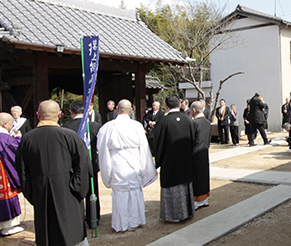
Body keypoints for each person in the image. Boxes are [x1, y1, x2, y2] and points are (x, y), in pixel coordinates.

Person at [16, 100, 92, 246]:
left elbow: (22, 170)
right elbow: (83, 164)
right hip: (66, 189)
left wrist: (32, 192)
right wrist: (77, 188)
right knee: (68, 225)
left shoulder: (27, 138)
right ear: (59, 115)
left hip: (40, 190)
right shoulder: (69, 135)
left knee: (45, 227)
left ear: (37, 115)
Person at [97, 99, 157, 232]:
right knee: (134, 191)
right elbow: (144, 148)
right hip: (134, 161)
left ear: (117, 109)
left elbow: (102, 151)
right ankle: (135, 221)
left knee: (120, 193)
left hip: (117, 162)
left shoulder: (108, 127)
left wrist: (106, 172)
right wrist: (145, 166)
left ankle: (122, 224)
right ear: (131, 110)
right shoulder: (136, 126)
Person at [152, 95, 196, 222]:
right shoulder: (187, 119)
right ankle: (187, 212)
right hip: (185, 160)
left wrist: (158, 160)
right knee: (185, 185)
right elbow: (192, 140)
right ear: (179, 104)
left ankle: (173, 216)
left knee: (172, 187)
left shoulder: (163, 122)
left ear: (166, 106)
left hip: (169, 161)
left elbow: (158, 144)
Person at [62, 100, 102, 229]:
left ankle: (77, 219)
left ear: (71, 112)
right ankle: (93, 218)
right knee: (93, 191)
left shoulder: (65, 128)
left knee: (74, 192)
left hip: (73, 165)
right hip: (90, 163)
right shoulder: (95, 126)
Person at [190, 101, 212, 209]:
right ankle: (205, 199)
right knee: (204, 175)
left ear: (194, 110)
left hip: (195, 153)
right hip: (204, 151)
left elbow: (191, 140)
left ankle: (197, 200)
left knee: (196, 176)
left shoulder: (194, 123)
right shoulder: (207, 122)